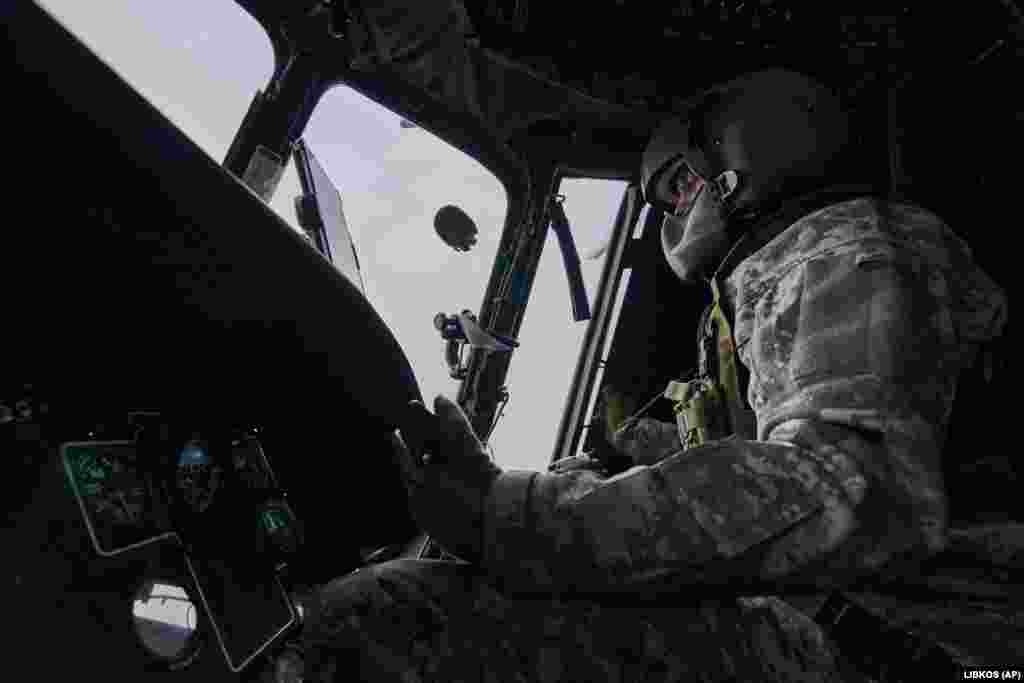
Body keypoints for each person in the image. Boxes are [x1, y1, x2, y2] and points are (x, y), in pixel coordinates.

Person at [300, 70, 1012, 682]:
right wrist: (530, 485)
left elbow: (851, 490)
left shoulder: (854, 255)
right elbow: (704, 460)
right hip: (854, 618)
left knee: (395, 619)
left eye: (679, 185)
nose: (672, 212)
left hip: (942, 644)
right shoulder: (752, 295)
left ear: (749, 156)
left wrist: (512, 516)